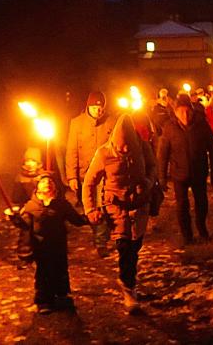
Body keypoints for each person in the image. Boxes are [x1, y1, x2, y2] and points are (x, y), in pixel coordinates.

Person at [83, 115, 157, 313]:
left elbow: (153, 166)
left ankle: (127, 279)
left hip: (139, 206)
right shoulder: (104, 153)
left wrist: (148, 182)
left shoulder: (143, 147)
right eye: (121, 146)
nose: (124, 150)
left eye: (128, 146)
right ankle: (128, 288)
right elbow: (89, 182)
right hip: (115, 208)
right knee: (125, 248)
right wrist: (90, 208)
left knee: (135, 246)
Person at [10, 173, 88, 314]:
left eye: (50, 181)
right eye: (43, 181)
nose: (47, 183)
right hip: (41, 246)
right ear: (37, 187)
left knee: (61, 269)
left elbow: (76, 219)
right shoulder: (31, 206)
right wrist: (15, 218)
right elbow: (25, 226)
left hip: (58, 244)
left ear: (55, 187)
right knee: (43, 272)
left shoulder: (61, 204)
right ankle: (44, 301)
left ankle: (62, 295)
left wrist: (91, 218)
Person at [157, 94, 213, 245]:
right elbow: (163, 154)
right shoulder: (169, 128)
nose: (185, 115)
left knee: (201, 202)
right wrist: (162, 177)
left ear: (192, 111)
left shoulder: (201, 125)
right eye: (181, 111)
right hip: (179, 173)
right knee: (182, 205)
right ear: (175, 112)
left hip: (199, 171)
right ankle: (187, 235)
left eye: (187, 111)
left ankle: (202, 229)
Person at [66, 90, 117, 257]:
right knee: (91, 206)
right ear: (88, 107)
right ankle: (99, 235)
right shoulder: (77, 123)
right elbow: (72, 151)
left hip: (106, 173)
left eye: (101, 107)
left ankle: (102, 240)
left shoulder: (111, 122)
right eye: (95, 107)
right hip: (85, 173)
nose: (98, 110)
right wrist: (72, 176)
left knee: (104, 205)